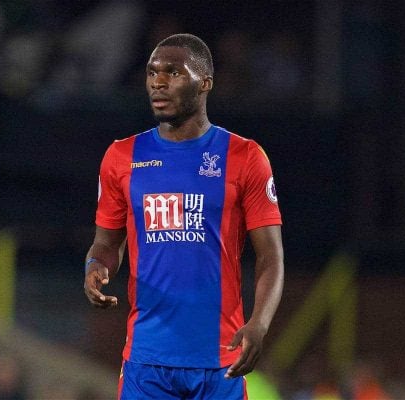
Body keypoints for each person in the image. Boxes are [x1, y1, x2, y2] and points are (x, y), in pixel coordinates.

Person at [83, 33, 284, 399]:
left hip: (220, 360)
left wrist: (260, 323)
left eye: (173, 72)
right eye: (152, 72)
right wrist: (96, 267)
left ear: (205, 82)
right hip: (148, 362)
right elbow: (105, 243)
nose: (158, 81)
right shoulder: (121, 157)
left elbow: (271, 256)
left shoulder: (245, 157)